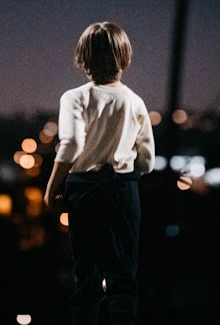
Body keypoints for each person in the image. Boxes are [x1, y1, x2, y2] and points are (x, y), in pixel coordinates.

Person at [44, 21, 156, 325]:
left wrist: (52, 187)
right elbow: (147, 162)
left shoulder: (74, 97)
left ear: (84, 56)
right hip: (123, 186)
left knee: (87, 278)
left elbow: (71, 143)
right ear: (123, 56)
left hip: (84, 187)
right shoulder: (135, 101)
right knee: (122, 279)